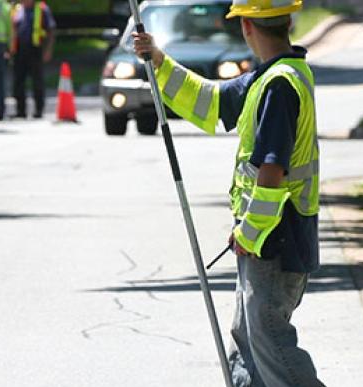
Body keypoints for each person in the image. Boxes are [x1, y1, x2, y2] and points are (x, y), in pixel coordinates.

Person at [133, 1, 324, 386]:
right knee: (249, 340)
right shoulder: (272, 77)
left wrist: (249, 231)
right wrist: (158, 59)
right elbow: (211, 100)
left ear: (247, 26)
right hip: (271, 236)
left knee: (269, 342)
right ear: (288, 21)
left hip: (273, 239)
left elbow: (272, 170)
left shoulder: (278, 86)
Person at [10, 0, 55, 119]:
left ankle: (38, 110)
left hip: (35, 49)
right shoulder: (16, 9)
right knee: (18, 81)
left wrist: (48, 50)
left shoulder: (42, 9)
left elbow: (50, 30)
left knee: (37, 81)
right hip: (19, 50)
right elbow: (12, 29)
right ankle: (20, 111)